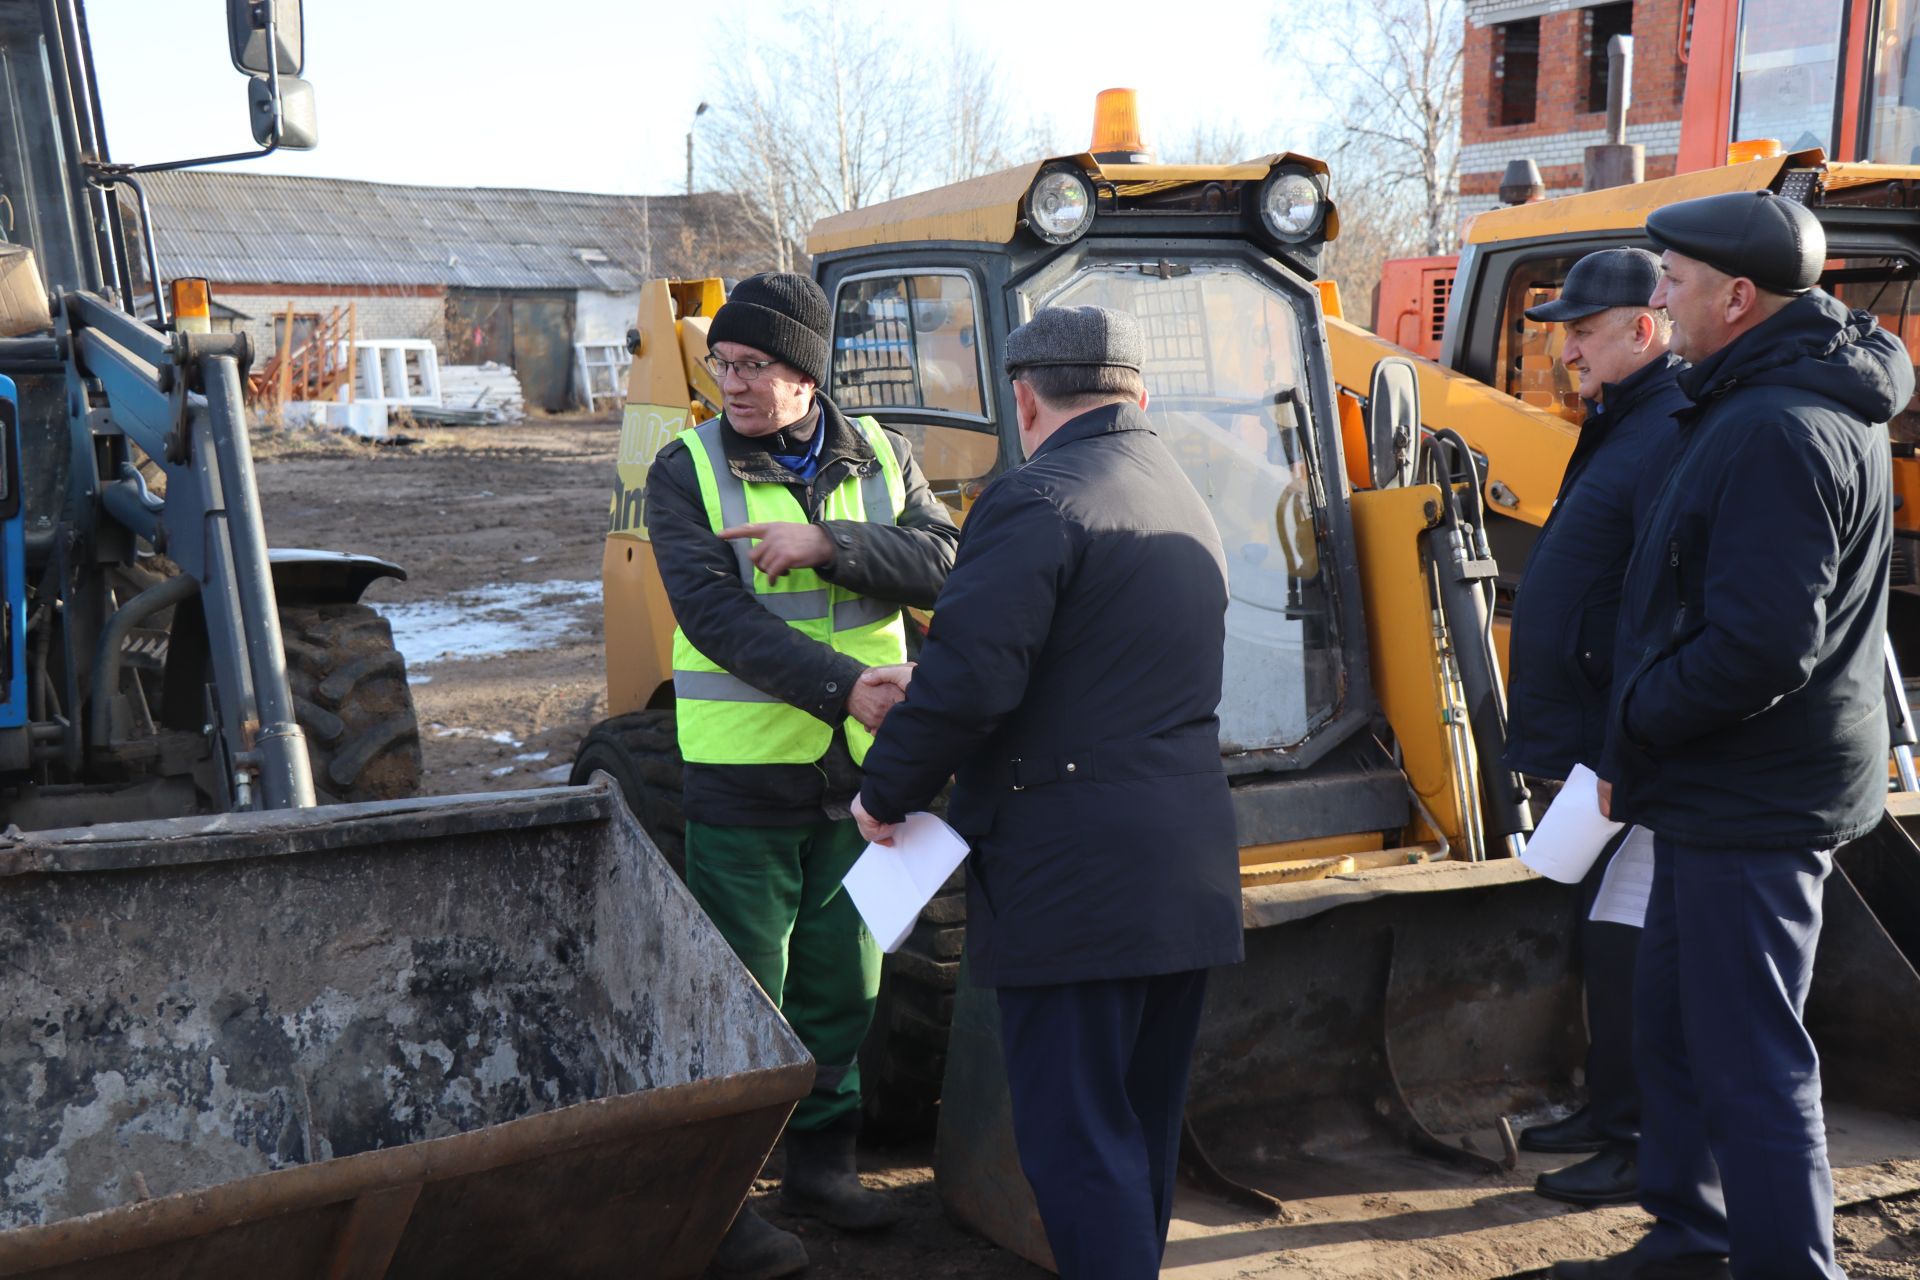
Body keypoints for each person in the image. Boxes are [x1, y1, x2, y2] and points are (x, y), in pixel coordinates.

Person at [1556, 192, 1911, 1279]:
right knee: (1677, 1023)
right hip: (1720, 787)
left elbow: (1760, 646)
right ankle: (1696, 1232)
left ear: (1736, 296)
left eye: (1672, 280)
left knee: (1750, 1053)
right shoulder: (1754, 400)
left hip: (1754, 798)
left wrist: (1642, 719)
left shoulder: (1777, 429)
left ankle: (1788, 1264)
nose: (1656, 297)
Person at [850, 305, 1244, 1279]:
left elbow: (979, 683)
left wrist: (886, 791)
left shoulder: (1034, 498)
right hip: (1185, 861)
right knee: (1139, 1130)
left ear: (1024, 399)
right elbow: (1088, 660)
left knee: (1076, 1143)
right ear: (1138, 394)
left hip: (1077, 877)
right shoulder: (1186, 497)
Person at [642, 272, 960, 1280]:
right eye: (724, 364)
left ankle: (821, 1165)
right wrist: (844, 688)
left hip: (863, 784)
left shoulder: (885, 457)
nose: (733, 383)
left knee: (844, 982)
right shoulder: (686, 466)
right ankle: (723, 1204)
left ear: (808, 373)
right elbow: (713, 616)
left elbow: (950, 560)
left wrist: (829, 546)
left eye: (757, 365)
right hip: (744, 779)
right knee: (742, 997)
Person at [1506, 247, 1686, 1207]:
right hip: (1595, 736)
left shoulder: (1662, 432)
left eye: (1581, 332)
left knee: (1630, 941)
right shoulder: (1619, 421)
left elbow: (1656, 606)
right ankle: (1608, 1107)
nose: (1566, 351)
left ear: (1642, 329)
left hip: (1631, 746)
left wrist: (1625, 741)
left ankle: (1637, 1136)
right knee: (1597, 927)